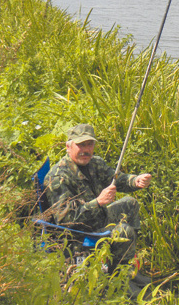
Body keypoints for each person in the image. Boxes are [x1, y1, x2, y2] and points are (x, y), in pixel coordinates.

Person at [44, 123, 151, 294]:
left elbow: (116, 179)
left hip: (97, 218)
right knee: (124, 231)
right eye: (81, 145)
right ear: (68, 146)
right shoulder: (58, 177)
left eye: (89, 144)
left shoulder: (94, 163)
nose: (86, 150)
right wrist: (98, 202)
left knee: (130, 203)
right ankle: (119, 278)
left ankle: (127, 268)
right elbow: (65, 219)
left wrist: (135, 180)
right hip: (77, 234)